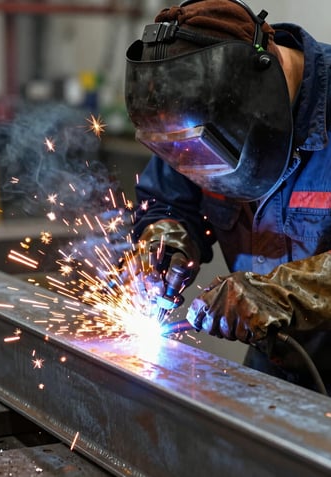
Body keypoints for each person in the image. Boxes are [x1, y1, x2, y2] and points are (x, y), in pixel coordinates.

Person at [123, 0, 331, 394]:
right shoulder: (191, 115)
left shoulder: (236, 105)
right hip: (275, 364)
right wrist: (165, 241)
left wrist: (283, 294)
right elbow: (169, 201)